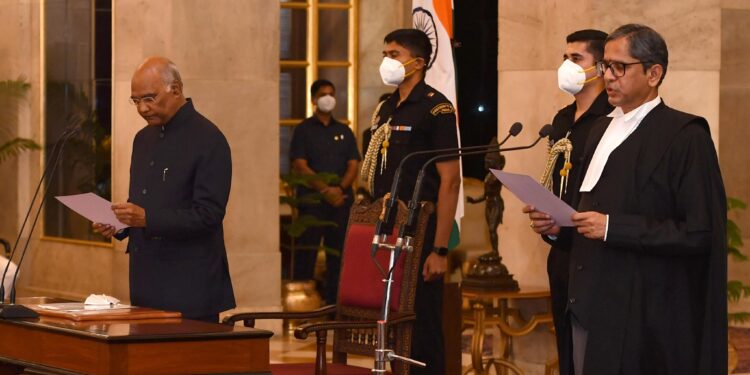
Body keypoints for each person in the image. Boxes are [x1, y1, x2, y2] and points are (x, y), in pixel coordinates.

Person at [525, 24, 727, 375]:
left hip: (644, 317)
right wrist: (558, 227)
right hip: (586, 303)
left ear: (654, 73)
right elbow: (586, 214)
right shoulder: (599, 129)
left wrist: (613, 227)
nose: (609, 76)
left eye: (620, 67)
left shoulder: (686, 136)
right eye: (605, 66)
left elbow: (699, 233)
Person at [93, 57, 235, 323]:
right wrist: (120, 223)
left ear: (177, 90)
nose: (143, 109)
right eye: (136, 101)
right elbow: (146, 203)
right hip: (146, 281)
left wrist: (146, 218)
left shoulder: (209, 139)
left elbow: (208, 215)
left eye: (149, 98)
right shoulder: (143, 139)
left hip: (190, 286)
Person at [361, 28, 461, 375]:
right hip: (386, 226)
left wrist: (440, 249)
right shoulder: (386, 107)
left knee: (422, 321)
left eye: (395, 54)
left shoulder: (437, 108)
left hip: (421, 228)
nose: (387, 61)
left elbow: (450, 182)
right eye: (385, 53)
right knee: (390, 320)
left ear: (418, 63)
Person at [538, 29, 612, 374]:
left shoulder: (613, 119)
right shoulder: (562, 120)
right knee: (567, 347)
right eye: (564, 58)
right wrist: (548, 223)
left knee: (595, 351)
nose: (566, 66)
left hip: (597, 253)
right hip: (563, 252)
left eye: (576, 59)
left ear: (599, 66)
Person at [288, 79, 359, 305]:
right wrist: (325, 190)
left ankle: (335, 305)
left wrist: (339, 189)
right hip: (312, 203)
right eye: (323, 94)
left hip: (341, 203)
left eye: (331, 93)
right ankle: (303, 304)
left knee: (338, 256)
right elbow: (300, 164)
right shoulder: (303, 130)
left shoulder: (344, 130)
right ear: (313, 100)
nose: (328, 98)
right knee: (306, 255)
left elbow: (353, 164)